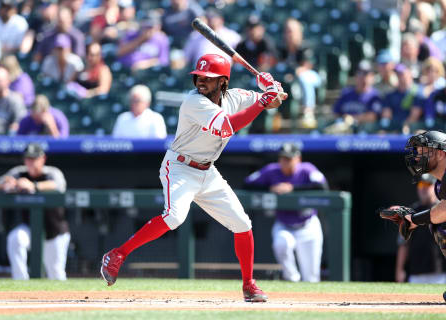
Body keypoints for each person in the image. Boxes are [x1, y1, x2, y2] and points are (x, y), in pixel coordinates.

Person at [100, 53, 287, 302]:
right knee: (174, 217)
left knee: (242, 224)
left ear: (223, 82)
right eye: (198, 76)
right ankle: (118, 254)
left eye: (208, 78)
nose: (201, 81)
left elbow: (276, 101)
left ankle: (249, 285)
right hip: (179, 167)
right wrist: (263, 100)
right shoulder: (193, 102)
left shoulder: (237, 97)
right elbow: (227, 127)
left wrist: (273, 88)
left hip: (207, 171)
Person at [244, 143, 328, 282]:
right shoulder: (271, 170)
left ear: (298, 159)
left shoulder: (307, 169)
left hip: (308, 225)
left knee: (311, 277)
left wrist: (292, 188)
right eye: (283, 158)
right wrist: (270, 188)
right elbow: (247, 183)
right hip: (284, 224)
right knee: (281, 244)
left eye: (289, 159)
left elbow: (323, 186)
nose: (285, 162)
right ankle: (292, 279)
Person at [380, 130, 446, 300]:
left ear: (440, 154)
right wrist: (414, 221)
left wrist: (413, 219)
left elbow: (444, 210)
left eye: (424, 152)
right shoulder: (439, 185)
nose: (418, 157)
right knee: (439, 226)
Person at [0, 143, 70, 280]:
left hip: (54, 230)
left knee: (56, 274)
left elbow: (59, 186)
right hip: (30, 227)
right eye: (28, 158)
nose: (31, 162)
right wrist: (8, 184)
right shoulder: (18, 172)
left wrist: (33, 185)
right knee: (15, 238)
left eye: (34, 158)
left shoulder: (51, 172)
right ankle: (21, 281)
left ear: (43, 158)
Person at [395, 174, 446, 284]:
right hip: (416, 273)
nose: (423, 188)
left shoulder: (443, 211)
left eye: (427, 184)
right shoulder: (411, 212)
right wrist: (399, 270)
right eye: (421, 184)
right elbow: (403, 244)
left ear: (435, 187)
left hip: (441, 273)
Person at [327, 60, 382, 134]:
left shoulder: (375, 95)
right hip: (345, 129)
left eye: (366, 74)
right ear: (355, 76)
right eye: (360, 73)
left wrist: (353, 119)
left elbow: (373, 116)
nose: (363, 77)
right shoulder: (346, 93)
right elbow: (336, 112)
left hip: (364, 131)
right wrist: (344, 119)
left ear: (372, 77)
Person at [379, 63, 424, 134]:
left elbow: (414, 117)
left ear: (409, 73)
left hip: (412, 130)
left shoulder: (418, 92)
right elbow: (386, 115)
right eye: (397, 74)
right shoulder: (390, 95)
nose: (399, 76)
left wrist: (403, 127)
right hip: (395, 129)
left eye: (401, 73)